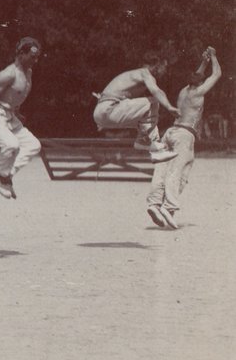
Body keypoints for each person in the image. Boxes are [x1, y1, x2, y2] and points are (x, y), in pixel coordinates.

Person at [146, 48, 220, 229]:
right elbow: (217, 74)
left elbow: (197, 75)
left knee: (162, 170)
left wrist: (205, 61)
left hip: (170, 132)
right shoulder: (198, 92)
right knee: (179, 171)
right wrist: (215, 57)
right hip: (184, 135)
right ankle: (168, 207)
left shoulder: (183, 91)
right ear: (200, 82)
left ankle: (155, 203)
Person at [0, 37, 43, 199]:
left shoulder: (28, 73)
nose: (35, 60)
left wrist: (17, 112)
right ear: (21, 54)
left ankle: (5, 177)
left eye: (37, 57)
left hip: (10, 117)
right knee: (11, 144)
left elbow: (14, 96)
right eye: (32, 56)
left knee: (34, 145)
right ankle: (3, 176)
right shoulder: (8, 74)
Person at [93, 53, 177, 159]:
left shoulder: (132, 76)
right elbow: (156, 91)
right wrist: (169, 106)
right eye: (164, 67)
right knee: (153, 102)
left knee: (143, 118)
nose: (165, 72)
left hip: (101, 113)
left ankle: (146, 142)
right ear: (156, 65)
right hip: (109, 109)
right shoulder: (144, 73)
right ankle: (150, 144)